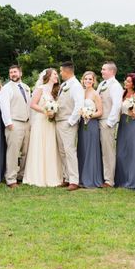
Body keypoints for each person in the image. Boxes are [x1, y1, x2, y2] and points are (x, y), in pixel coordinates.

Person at [23, 68, 63, 187]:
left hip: (51, 123)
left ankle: (52, 176)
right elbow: (33, 104)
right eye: (55, 74)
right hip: (41, 122)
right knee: (40, 147)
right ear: (48, 76)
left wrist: (53, 112)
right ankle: (37, 176)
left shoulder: (57, 90)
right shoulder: (40, 89)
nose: (57, 76)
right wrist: (45, 111)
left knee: (51, 147)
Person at [0, 65, 31, 188]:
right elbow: (4, 106)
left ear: (20, 73)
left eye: (15, 72)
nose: (13, 74)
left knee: (26, 151)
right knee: (13, 152)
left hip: (27, 123)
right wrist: (8, 122)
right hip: (14, 123)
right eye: (11, 72)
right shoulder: (6, 88)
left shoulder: (26, 87)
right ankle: (11, 179)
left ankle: (22, 175)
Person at [55, 61, 84, 191]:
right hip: (59, 121)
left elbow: (79, 104)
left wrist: (71, 121)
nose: (60, 73)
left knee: (69, 151)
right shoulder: (64, 85)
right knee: (62, 151)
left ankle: (74, 180)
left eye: (61, 71)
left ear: (67, 71)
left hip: (67, 122)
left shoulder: (75, 85)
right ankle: (66, 178)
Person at [97, 61, 123, 188]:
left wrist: (110, 122)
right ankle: (101, 176)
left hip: (106, 121)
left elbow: (117, 105)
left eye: (104, 69)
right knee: (100, 150)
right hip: (98, 120)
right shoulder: (102, 84)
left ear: (111, 71)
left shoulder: (115, 85)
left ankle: (109, 180)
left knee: (108, 151)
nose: (101, 71)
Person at [77, 71, 104, 188]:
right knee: (82, 148)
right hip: (82, 124)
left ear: (94, 81)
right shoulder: (80, 92)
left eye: (90, 79)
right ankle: (81, 177)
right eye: (85, 79)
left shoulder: (95, 94)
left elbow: (100, 112)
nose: (87, 81)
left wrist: (89, 115)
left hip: (91, 124)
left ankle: (91, 178)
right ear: (82, 80)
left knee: (91, 149)